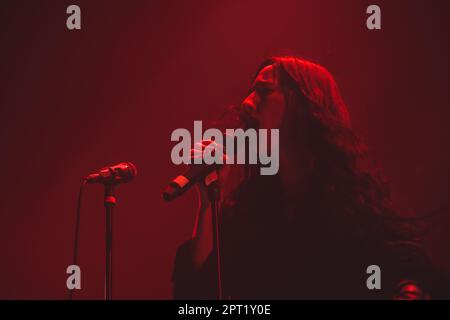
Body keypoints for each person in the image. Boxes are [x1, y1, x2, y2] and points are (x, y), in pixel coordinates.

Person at [171, 56, 449, 299]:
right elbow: (200, 292)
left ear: (305, 106)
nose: (246, 103)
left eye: (264, 92)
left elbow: (404, 264)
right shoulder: (253, 209)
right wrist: (208, 203)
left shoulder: (350, 207)